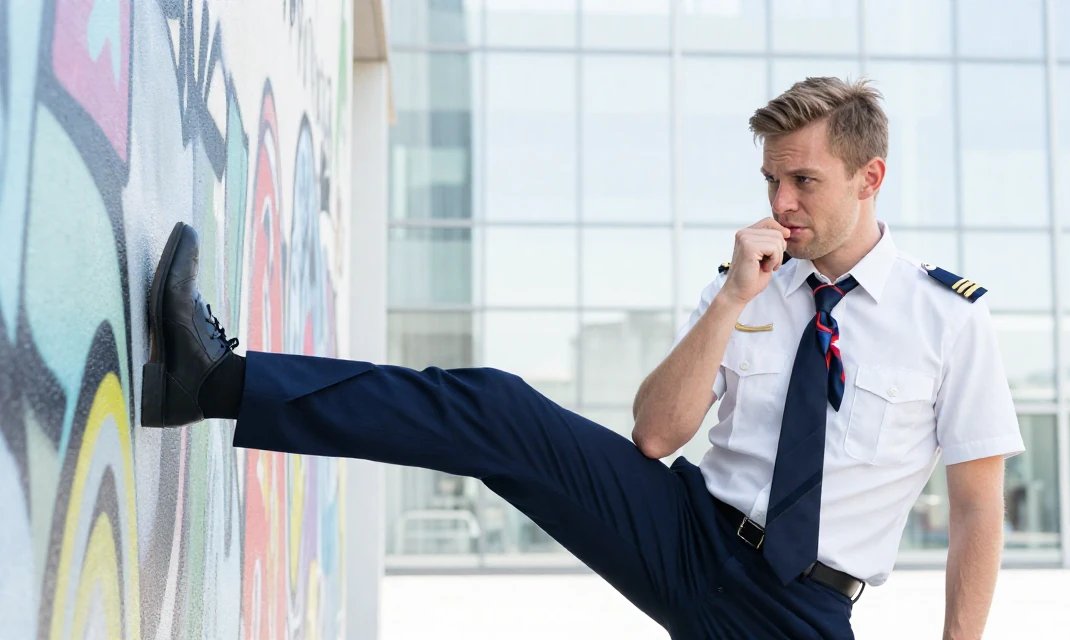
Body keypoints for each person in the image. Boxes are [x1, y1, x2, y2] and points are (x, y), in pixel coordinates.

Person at [141, 77, 1024, 639]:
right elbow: (653, 435)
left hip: (799, 604)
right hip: (682, 528)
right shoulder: (752, 283)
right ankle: (217, 381)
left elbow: (978, 509)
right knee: (496, 409)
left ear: (870, 178)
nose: (780, 201)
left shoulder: (950, 324)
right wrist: (730, 301)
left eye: (805, 182)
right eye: (771, 181)